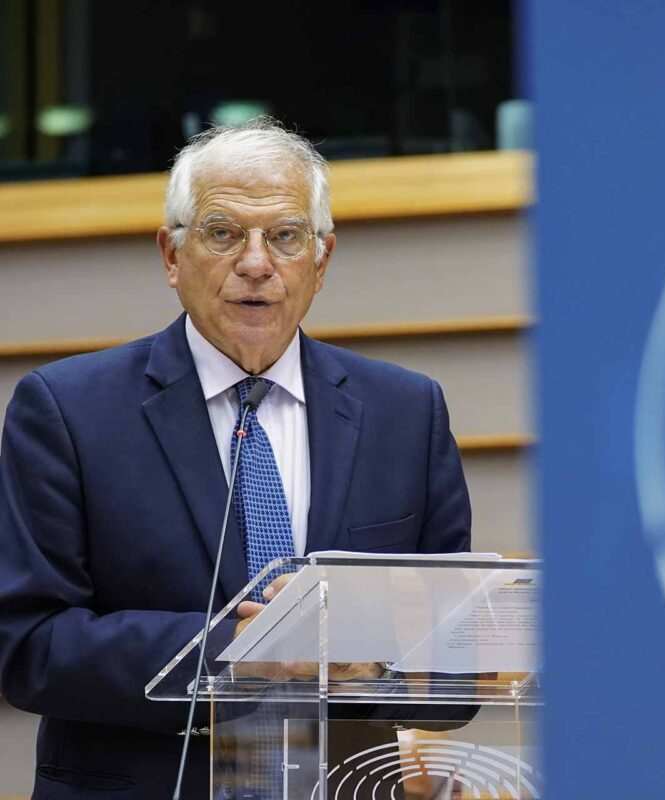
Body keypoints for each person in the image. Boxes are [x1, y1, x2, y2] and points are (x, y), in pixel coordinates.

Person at [0, 118, 471, 800]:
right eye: (223, 234)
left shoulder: (408, 413)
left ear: (322, 261)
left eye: (285, 236)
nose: (256, 263)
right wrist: (235, 651)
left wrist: (377, 650)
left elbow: (452, 674)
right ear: (171, 255)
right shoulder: (67, 411)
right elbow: (28, 645)